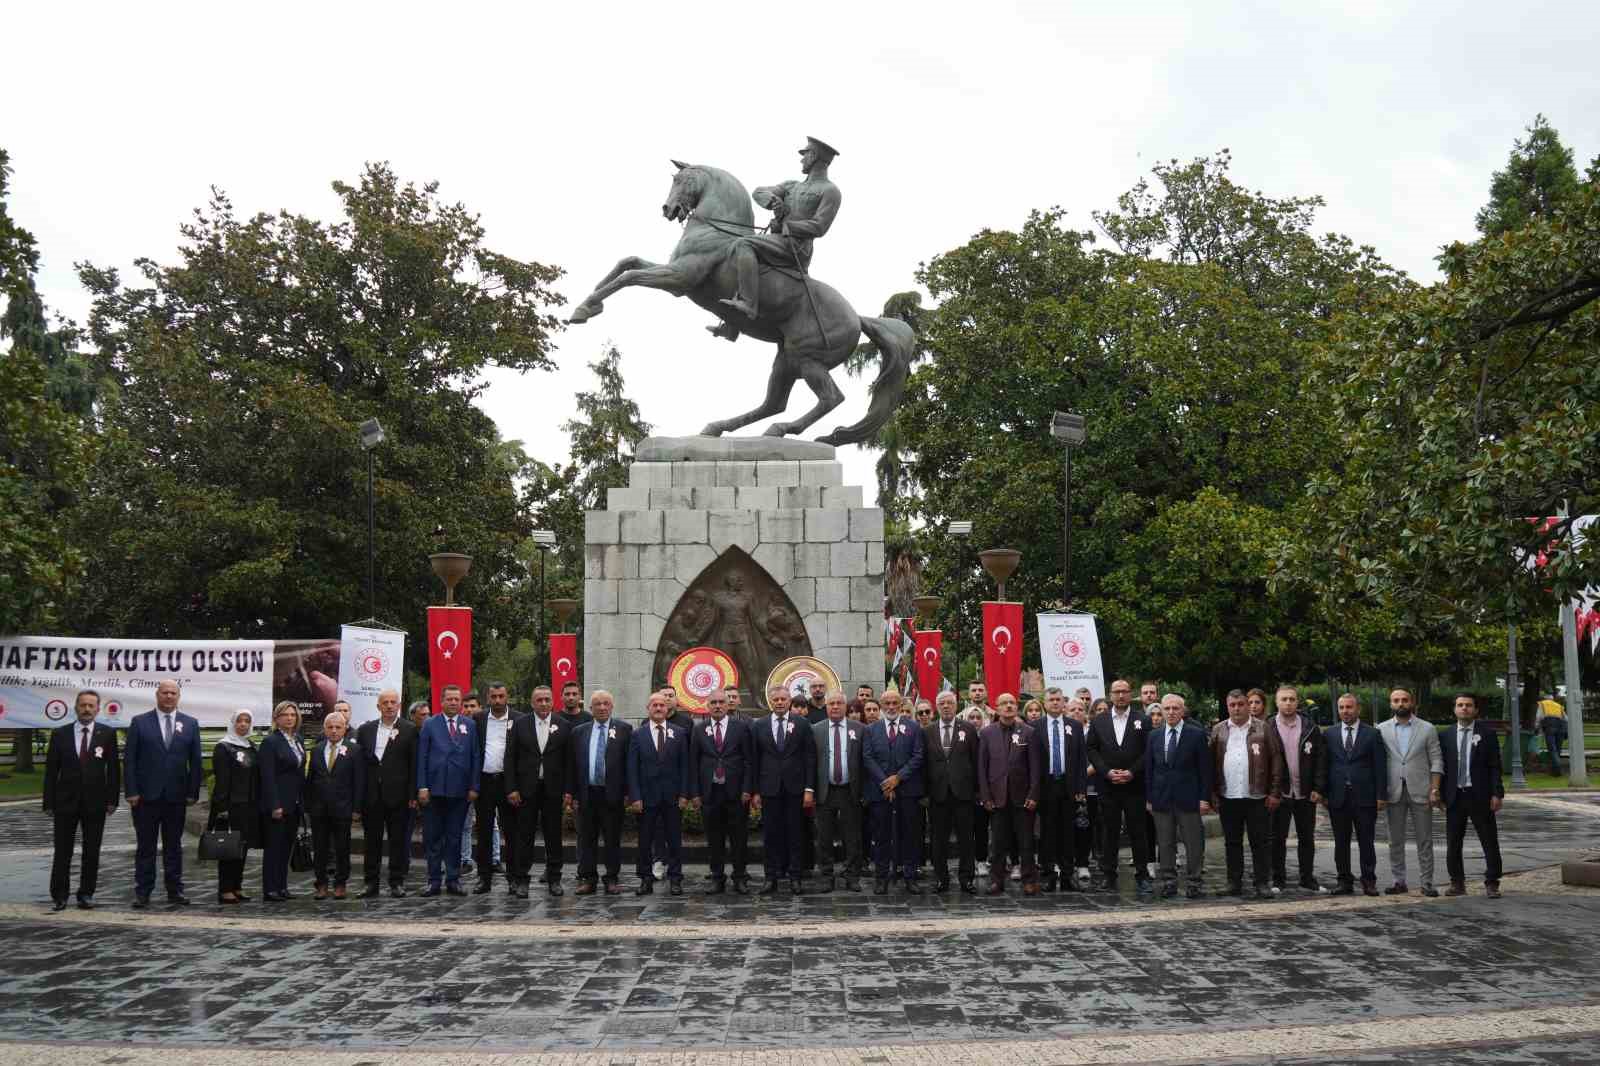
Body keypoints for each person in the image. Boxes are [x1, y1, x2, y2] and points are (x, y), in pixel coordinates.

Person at [716, 136, 842, 329]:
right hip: (778, 240)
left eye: (805, 154)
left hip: (796, 247)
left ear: (814, 156)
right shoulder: (792, 186)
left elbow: (820, 226)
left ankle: (748, 304)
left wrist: (789, 225)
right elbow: (758, 192)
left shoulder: (830, 191)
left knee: (744, 244)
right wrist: (773, 201)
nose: (801, 159)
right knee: (743, 259)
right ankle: (733, 326)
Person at [124, 678, 204, 907]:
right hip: (145, 798)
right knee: (145, 847)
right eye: (165, 692)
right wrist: (131, 791)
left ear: (178, 697)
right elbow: (129, 760)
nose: (169, 696)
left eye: (173, 693)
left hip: (176, 797)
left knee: (174, 847)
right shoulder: (139, 722)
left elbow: (195, 762)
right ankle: (143, 892)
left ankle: (175, 890)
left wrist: (192, 792)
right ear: (157, 695)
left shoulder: (190, 724)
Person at [43, 690, 120, 910]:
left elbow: (113, 770)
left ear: (97, 709)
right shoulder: (60, 734)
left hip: (95, 803)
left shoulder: (107, 734)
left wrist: (112, 799)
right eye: (83, 705)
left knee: (92, 850)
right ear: (76, 707)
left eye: (91, 706)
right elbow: (51, 772)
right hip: (65, 802)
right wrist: (49, 802)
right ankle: (60, 894)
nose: (87, 709)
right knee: (62, 850)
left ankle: (86, 893)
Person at [1209, 689, 1286, 898]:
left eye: (1240, 704)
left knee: (1259, 842)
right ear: (1227, 706)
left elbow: (1276, 760)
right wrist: (1213, 793)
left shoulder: (1263, 728)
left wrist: (1274, 792)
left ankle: (1262, 883)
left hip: (1257, 796)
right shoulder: (1218, 730)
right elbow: (1211, 764)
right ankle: (1233, 883)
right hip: (1228, 796)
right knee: (1232, 843)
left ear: (1247, 705)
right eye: (1232, 705)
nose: (1237, 708)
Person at [1086, 678, 1152, 894]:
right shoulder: (1099, 721)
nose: (1121, 695)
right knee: (1109, 832)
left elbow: (1147, 751)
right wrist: (1106, 772)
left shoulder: (1143, 719)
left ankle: (1142, 875)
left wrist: (1132, 772)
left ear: (1130, 694)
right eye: (1117, 692)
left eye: (1124, 691)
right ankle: (1109, 875)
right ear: (1110, 694)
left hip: (1134, 785)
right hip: (1108, 786)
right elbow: (1092, 749)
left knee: (1138, 831)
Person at [1145, 693, 1213, 899]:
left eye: (1175, 708)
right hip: (1161, 799)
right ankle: (1168, 881)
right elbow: (1149, 769)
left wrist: (1204, 798)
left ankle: (1194, 882)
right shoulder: (1154, 736)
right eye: (1167, 709)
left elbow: (1205, 770)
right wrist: (1149, 798)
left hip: (1189, 798)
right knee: (1165, 843)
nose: (1171, 712)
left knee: (1193, 843)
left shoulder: (1196, 734)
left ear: (1182, 711)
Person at [750, 683, 816, 894]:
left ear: (789, 701)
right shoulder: (759, 725)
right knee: (771, 835)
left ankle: (795, 877)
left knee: (795, 834)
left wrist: (809, 789)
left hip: (795, 788)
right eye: (776, 699)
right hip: (769, 789)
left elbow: (809, 757)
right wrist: (756, 791)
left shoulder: (802, 724)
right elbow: (755, 760)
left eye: (783, 700)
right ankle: (771, 877)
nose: (779, 703)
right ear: (771, 701)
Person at [1377, 687, 1443, 897]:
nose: (1401, 704)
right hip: (1393, 790)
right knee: (1394, 839)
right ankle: (1399, 881)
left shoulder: (1427, 728)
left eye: (1404, 700)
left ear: (1412, 702)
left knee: (1425, 839)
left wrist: (1435, 788)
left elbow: (1436, 760)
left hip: (1421, 790)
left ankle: (1427, 883)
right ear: (1391, 704)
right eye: (1396, 700)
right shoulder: (1381, 729)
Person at [416, 684, 480, 896]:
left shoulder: (469, 725)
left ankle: (453, 879)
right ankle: (434, 880)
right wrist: (422, 786)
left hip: (460, 792)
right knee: (433, 838)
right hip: (433, 791)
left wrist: (474, 786)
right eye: (449, 699)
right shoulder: (430, 724)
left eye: (456, 699)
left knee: (454, 837)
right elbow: (422, 757)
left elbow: (475, 757)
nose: (453, 703)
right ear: (441, 701)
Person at [690, 688, 755, 894]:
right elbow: (693, 763)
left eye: (721, 702)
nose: (717, 706)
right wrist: (696, 793)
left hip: (736, 793)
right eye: (713, 703)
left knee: (739, 838)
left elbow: (748, 761)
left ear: (728, 705)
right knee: (714, 838)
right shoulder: (699, 729)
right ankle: (717, 877)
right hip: (710, 793)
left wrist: (747, 789)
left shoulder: (741, 728)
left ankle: (739, 877)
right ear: (707, 706)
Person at [506, 684, 567, 897]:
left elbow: (568, 762)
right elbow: (510, 758)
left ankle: (554, 878)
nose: (543, 703)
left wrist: (567, 790)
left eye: (547, 699)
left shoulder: (563, 724)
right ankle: (522, 879)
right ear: (532, 703)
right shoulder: (519, 725)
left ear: (553, 701)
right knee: (524, 835)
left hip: (553, 789)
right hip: (526, 790)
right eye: (539, 700)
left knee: (553, 835)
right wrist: (511, 788)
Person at [568, 690, 632, 895]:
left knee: (612, 838)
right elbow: (573, 765)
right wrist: (572, 794)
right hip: (587, 794)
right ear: (590, 708)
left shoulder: (624, 729)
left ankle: (611, 878)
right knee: (587, 839)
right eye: (597, 704)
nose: (602, 707)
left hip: (612, 794)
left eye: (606, 704)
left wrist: (629, 792)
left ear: (612, 706)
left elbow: (629, 764)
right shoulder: (579, 731)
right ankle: (589, 879)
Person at [1441, 693, 1504, 898]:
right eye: (1460, 705)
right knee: (1453, 843)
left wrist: (1497, 793)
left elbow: (1495, 766)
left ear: (1476, 710)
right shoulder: (1445, 735)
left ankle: (1492, 881)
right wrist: (1439, 793)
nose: (1464, 708)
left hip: (1480, 795)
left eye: (1468, 705)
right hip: (1455, 795)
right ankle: (1457, 882)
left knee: (1489, 840)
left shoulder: (1487, 734)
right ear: (1454, 709)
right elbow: (1441, 767)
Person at [863, 689, 926, 893]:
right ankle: (881, 878)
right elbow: (868, 757)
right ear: (881, 706)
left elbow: (917, 756)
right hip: (880, 792)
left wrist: (898, 778)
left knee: (909, 834)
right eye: (887, 703)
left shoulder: (913, 727)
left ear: (901, 705)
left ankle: (909, 876)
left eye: (895, 703)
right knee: (881, 836)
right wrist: (885, 782)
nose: (891, 707)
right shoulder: (871, 730)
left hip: (907, 790)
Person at [1324, 693, 1387, 897]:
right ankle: (1344, 881)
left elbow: (1380, 767)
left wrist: (1381, 795)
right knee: (1341, 842)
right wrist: (1324, 793)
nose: (1345, 711)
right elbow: (1325, 766)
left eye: (1349, 707)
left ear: (1358, 709)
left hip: (1365, 796)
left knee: (1366, 841)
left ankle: (1369, 881)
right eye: (1341, 707)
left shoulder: (1372, 734)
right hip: (1338, 797)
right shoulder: (1330, 734)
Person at [977, 693, 1041, 894]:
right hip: (997, 798)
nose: (1008, 706)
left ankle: (1029, 880)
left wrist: (1033, 794)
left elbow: (1036, 767)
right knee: (997, 843)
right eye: (1004, 703)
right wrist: (985, 796)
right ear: (996, 707)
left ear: (1016, 707)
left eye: (1012, 703)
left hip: (1023, 798)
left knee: (1026, 842)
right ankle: (996, 880)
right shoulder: (987, 733)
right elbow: (982, 767)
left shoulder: (1028, 732)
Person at [627, 692, 690, 895]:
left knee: (674, 839)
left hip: (672, 797)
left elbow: (685, 766)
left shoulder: (679, 733)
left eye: (662, 705)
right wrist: (635, 796)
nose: (658, 708)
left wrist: (683, 794)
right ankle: (645, 878)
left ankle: (675, 878)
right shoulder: (638, 734)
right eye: (654, 705)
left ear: (668, 708)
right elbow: (632, 768)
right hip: (646, 798)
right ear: (648, 708)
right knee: (645, 841)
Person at [356, 689, 418, 897]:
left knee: (397, 840)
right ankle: (370, 883)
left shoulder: (409, 729)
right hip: (372, 795)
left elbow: (413, 765)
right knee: (371, 840)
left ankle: (396, 881)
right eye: (385, 703)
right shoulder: (365, 730)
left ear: (399, 706)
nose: (390, 706)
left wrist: (412, 795)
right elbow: (360, 766)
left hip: (399, 795)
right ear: (378, 706)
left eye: (393, 702)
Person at [1268, 685, 1327, 894]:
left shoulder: (1310, 727)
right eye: (1283, 699)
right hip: (1280, 792)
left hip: (1305, 792)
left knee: (1307, 838)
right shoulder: (1267, 727)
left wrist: (1319, 788)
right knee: (1277, 839)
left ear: (1297, 701)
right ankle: (1278, 879)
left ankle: (1307, 878)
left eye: (1292, 699)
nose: (1288, 703)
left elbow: (1320, 759)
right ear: (1276, 702)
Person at [924, 690, 979, 893]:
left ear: (956, 706)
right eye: (942, 703)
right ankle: (941, 878)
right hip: (938, 795)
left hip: (963, 794)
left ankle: (966, 878)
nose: (946, 706)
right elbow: (924, 764)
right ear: (936, 707)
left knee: (966, 839)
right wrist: (925, 793)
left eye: (950, 703)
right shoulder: (927, 731)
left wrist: (977, 790)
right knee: (939, 840)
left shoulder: (968, 729)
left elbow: (976, 761)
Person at [810, 690, 864, 892]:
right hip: (826, 790)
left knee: (852, 836)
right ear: (826, 706)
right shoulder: (816, 730)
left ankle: (852, 876)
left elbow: (863, 762)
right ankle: (826, 875)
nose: (835, 706)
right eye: (831, 703)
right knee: (824, 836)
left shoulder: (859, 729)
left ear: (845, 707)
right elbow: (811, 762)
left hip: (850, 790)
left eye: (839, 703)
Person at [306, 710, 363, 900]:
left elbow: (358, 781)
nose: (334, 731)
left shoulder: (354, 750)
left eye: (338, 727)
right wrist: (309, 805)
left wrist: (356, 809)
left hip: (343, 808)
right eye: (330, 727)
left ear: (345, 729)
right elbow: (311, 779)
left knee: (342, 848)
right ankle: (321, 884)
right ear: (324, 729)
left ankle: (340, 883)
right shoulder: (317, 749)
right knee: (320, 848)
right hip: (319, 809)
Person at [472, 681, 522, 895]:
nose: (498, 700)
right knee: (483, 833)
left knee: (512, 833)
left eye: (501, 696)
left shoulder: (519, 719)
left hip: (508, 784)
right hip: (484, 782)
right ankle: (484, 878)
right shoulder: (478, 719)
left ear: (507, 696)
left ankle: (513, 878)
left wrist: (516, 786)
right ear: (487, 698)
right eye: (494, 697)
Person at [1035, 687, 1087, 892]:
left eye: (1058, 699)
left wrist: (1081, 787)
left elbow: (1082, 760)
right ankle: (1048, 874)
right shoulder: (1035, 727)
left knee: (1068, 833)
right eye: (1051, 700)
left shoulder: (1074, 725)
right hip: (1046, 786)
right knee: (1047, 833)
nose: (1055, 703)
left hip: (1069, 785)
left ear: (1063, 703)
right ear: (1045, 703)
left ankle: (1067, 875)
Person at [206, 709, 259, 905]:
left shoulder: (251, 746)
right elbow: (222, 780)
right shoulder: (224, 747)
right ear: (233, 723)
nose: (243, 724)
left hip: (248, 806)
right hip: (230, 806)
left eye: (247, 721)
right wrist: (222, 808)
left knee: (242, 848)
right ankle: (225, 888)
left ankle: (237, 886)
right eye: (239, 721)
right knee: (228, 848)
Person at [258, 701, 307, 902]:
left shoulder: (298, 740)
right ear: (276, 718)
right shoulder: (270, 742)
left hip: (294, 803)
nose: (289, 718)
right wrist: (274, 804)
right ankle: (270, 888)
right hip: (278, 803)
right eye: (285, 715)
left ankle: (282, 886)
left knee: (287, 847)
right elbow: (267, 776)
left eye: (293, 715)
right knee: (274, 848)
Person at [458, 691, 482, 876]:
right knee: (465, 822)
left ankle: (495, 858)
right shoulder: (459, 726)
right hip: (464, 782)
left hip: (487, 779)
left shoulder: (487, 724)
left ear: (480, 707)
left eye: (472, 706)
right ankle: (466, 859)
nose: (469, 710)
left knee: (492, 824)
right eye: (465, 706)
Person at [1537, 694, 1567, 776]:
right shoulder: (1559, 706)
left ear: (1545, 698)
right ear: (1553, 700)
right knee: (1558, 749)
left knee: (1552, 749)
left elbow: (1539, 716)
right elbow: (1566, 719)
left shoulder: (1542, 704)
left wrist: (1537, 728)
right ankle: (1555, 771)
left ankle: (1557, 768)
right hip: (1561, 726)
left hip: (1549, 725)